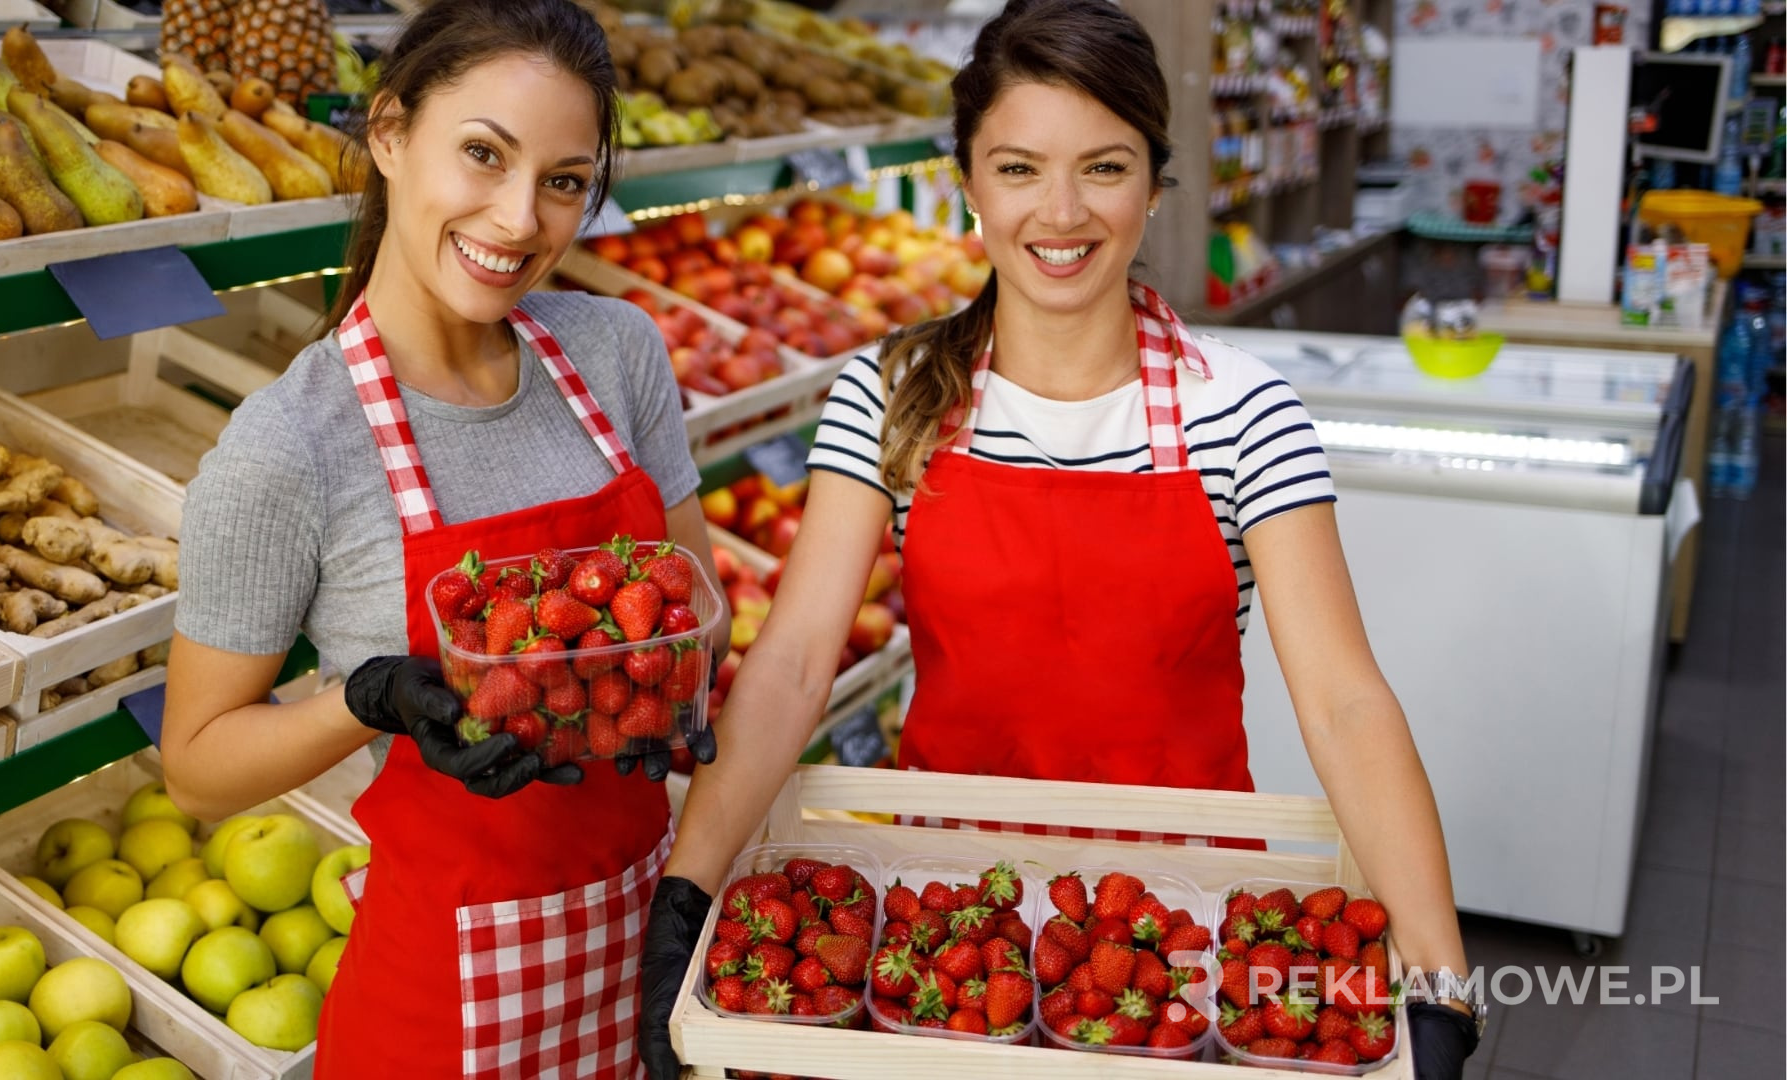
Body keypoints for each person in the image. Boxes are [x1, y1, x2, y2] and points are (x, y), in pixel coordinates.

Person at [640, 1, 1479, 1076]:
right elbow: (796, 660)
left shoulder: (1244, 411)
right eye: (1020, 168)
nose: (1063, 211)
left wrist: (1442, 984)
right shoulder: (893, 395)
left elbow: (1344, 701)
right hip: (951, 922)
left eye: (1105, 167)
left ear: (1155, 183)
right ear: (968, 183)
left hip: (1176, 934)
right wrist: (687, 892)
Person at [158, 1, 723, 1076]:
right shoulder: (289, 445)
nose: (518, 219)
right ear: (388, 133)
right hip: (443, 998)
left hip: (648, 939)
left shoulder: (617, 352)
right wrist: (366, 699)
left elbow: (697, 604)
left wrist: (669, 676)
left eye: (564, 181)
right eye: (483, 154)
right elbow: (195, 770)